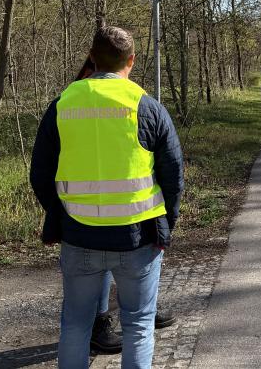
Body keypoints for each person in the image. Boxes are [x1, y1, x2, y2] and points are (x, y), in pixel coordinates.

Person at [30, 26, 184, 368]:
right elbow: (173, 178)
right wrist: (165, 225)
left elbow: (40, 175)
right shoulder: (147, 107)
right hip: (138, 238)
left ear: (92, 58)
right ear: (131, 61)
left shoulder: (63, 104)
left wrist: (62, 216)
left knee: (75, 324)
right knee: (139, 325)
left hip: (80, 236)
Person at [74, 57, 177, 354]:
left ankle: (138, 307)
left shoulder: (135, 99)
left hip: (127, 205)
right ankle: (101, 321)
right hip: (91, 207)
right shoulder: (77, 95)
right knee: (103, 261)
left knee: (116, 265)